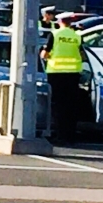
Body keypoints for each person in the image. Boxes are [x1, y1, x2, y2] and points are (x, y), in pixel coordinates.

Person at [43, 13, 83, 144]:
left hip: (56, 73)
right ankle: (70, 135)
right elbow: (81, 54)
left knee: (58, 106)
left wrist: (47, 56)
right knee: (71, 106)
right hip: (73, 74)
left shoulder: (54, 34)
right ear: (70, 22)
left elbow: (44, 54)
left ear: (59, 21)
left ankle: (60, 135)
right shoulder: (76, 36)